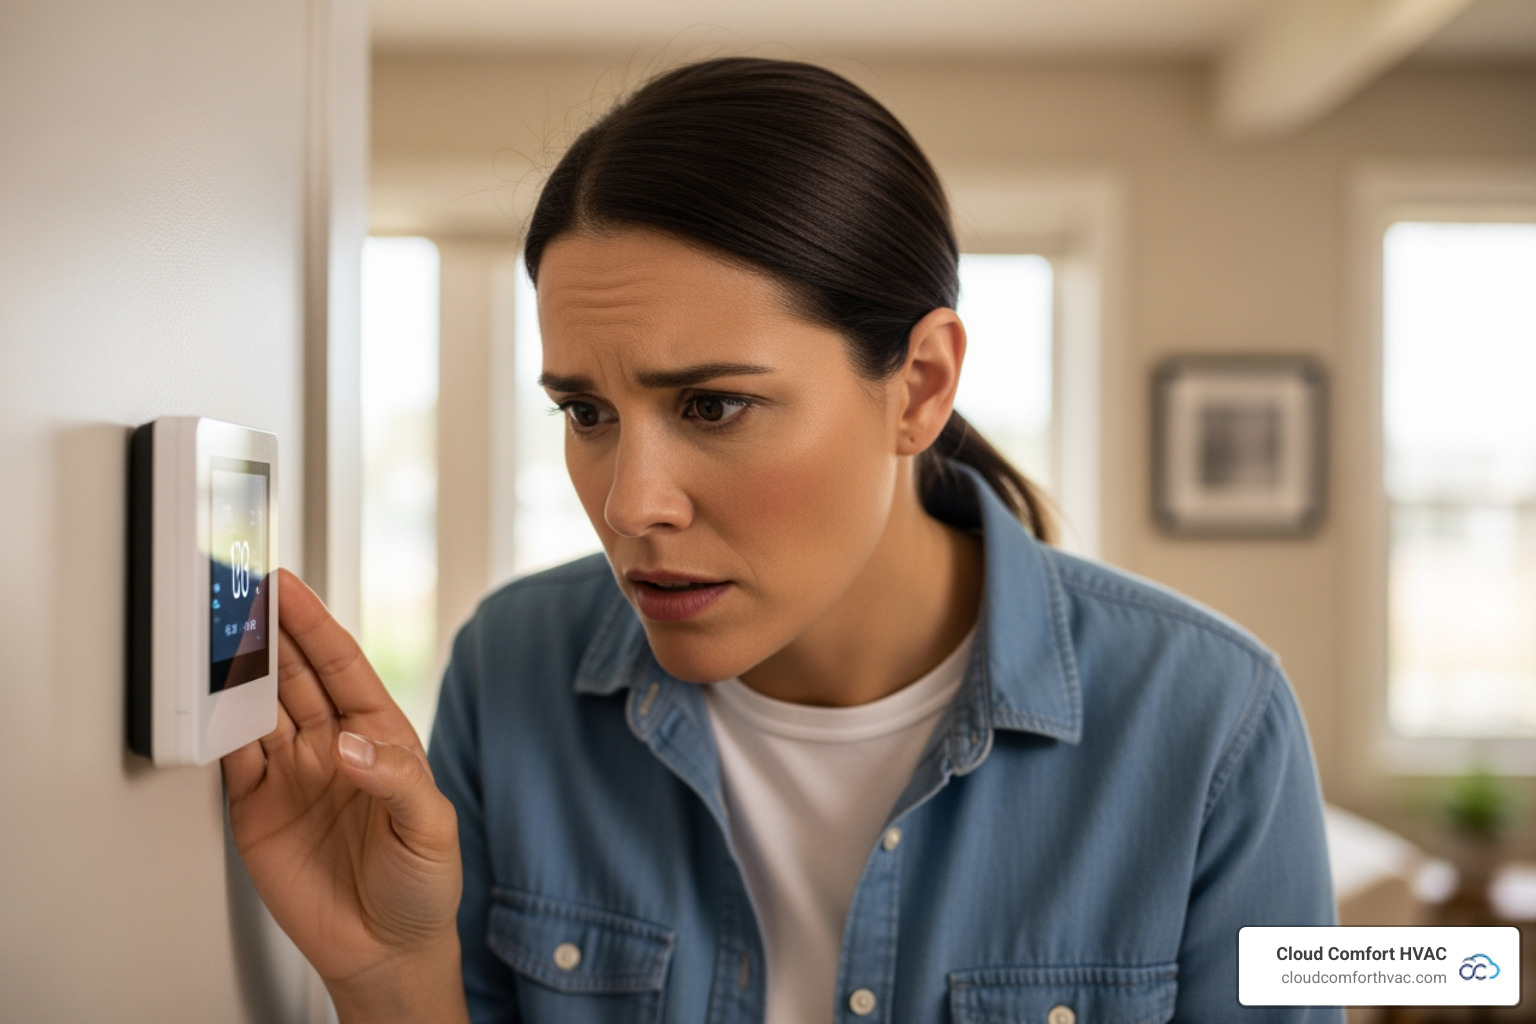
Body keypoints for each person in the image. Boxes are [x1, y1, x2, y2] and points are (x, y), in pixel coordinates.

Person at [226, 57, 1340, 1024]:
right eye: (586, 411)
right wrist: (391, 974)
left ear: (919, 386)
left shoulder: (1214, 722)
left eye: (712, 405)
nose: (630, 504)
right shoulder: (509, 673)